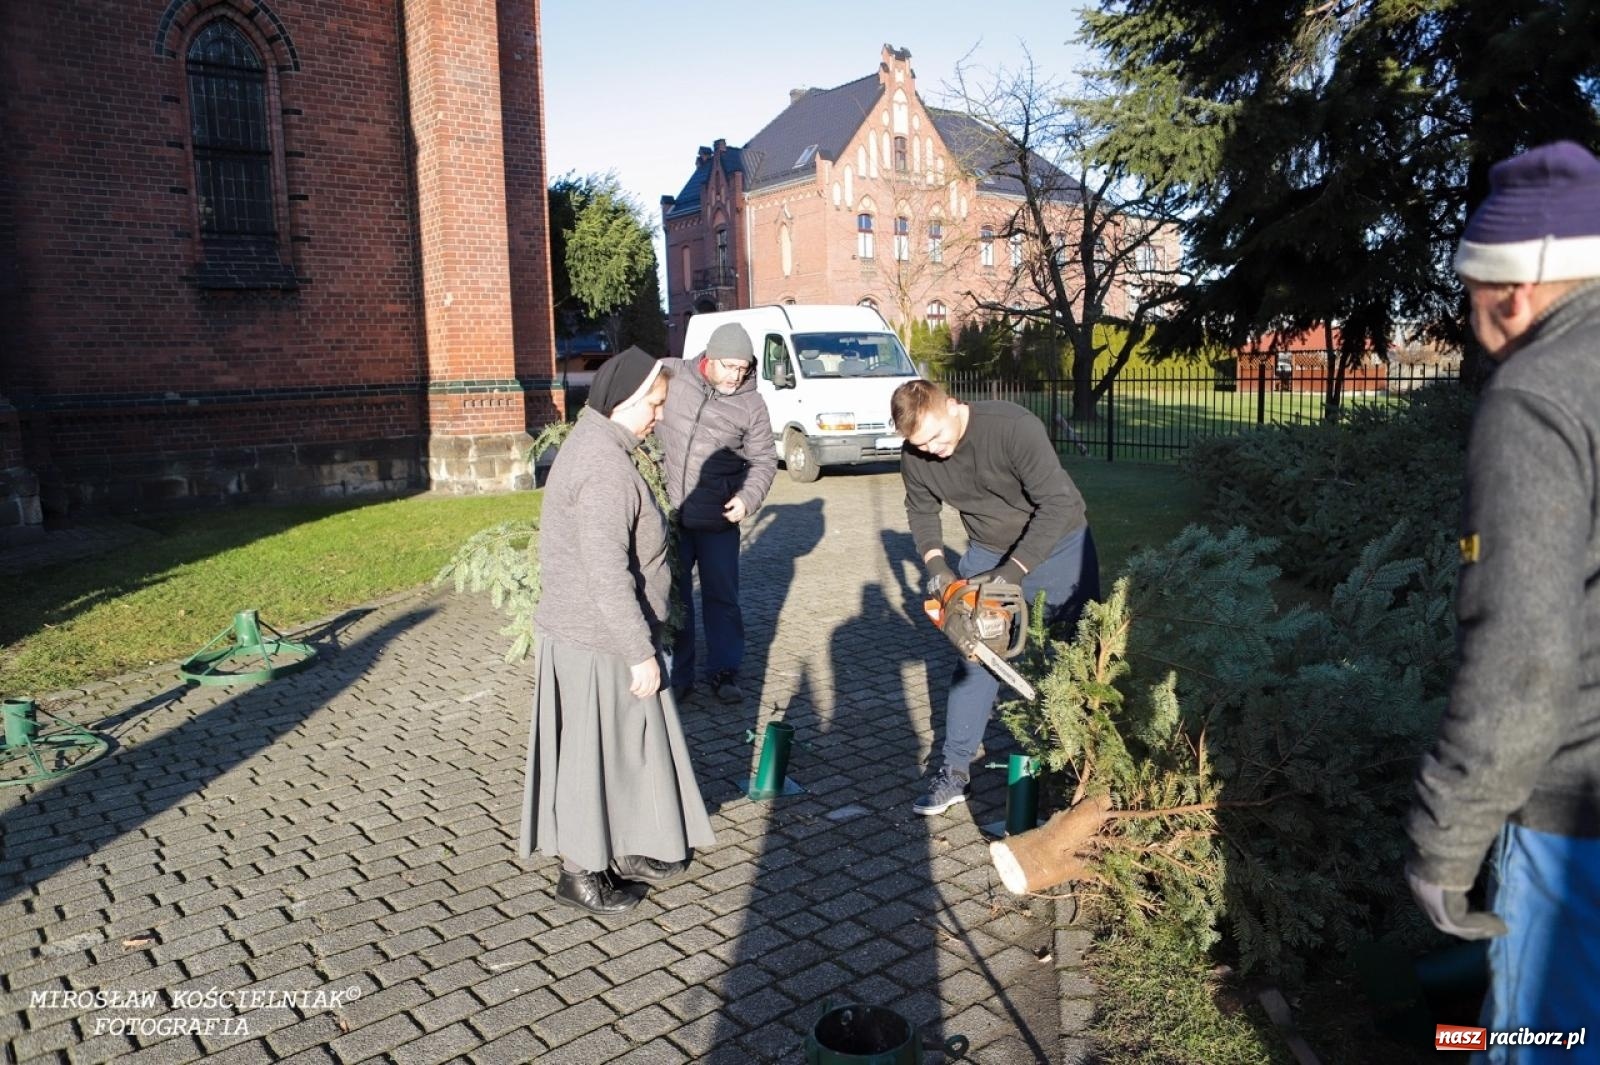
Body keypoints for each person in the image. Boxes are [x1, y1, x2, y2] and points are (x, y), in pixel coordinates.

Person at [1405, 140, 1600, 1051]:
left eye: (1470, 292)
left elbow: (1523, 660)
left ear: (1512, 293)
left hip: (1574, 821)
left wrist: (1447, 842)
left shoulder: (1536, 396)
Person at [519, 347, 715, 916]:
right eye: (654, 405)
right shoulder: (604, 468)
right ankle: (580, 874)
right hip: (598, 639)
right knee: (590, 757)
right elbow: (606, 572)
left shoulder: (599, 445)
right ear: (625, 401)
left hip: (592, 633)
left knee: (623, 748)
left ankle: (627, 845)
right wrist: (639, 652)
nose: (658, 415)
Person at [892, 378, 1100, 815]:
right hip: (988, 551)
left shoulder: (1012, 427)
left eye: (935, 436)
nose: (931, 449)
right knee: (976, 657)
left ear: (952, 405)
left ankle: (1074, 772)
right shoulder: (916, 454)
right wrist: (938, 571)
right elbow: (921, 509)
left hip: (1061, 545)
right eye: (919, 443)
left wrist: (1010, 574)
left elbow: (1056, 504)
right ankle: (953, 772)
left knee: (1072, 656)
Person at [656, 322, 778, 705]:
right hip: (670, 516)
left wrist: (747, 499)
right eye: (728, 366)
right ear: (709, 357)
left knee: (722, 598)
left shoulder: (752, 404)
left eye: (743, 369)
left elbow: (764, 460)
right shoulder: (672, 375)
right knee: (676, 598)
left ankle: (725, 671)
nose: (736, 376)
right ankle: (680, 675)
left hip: (719, 519)